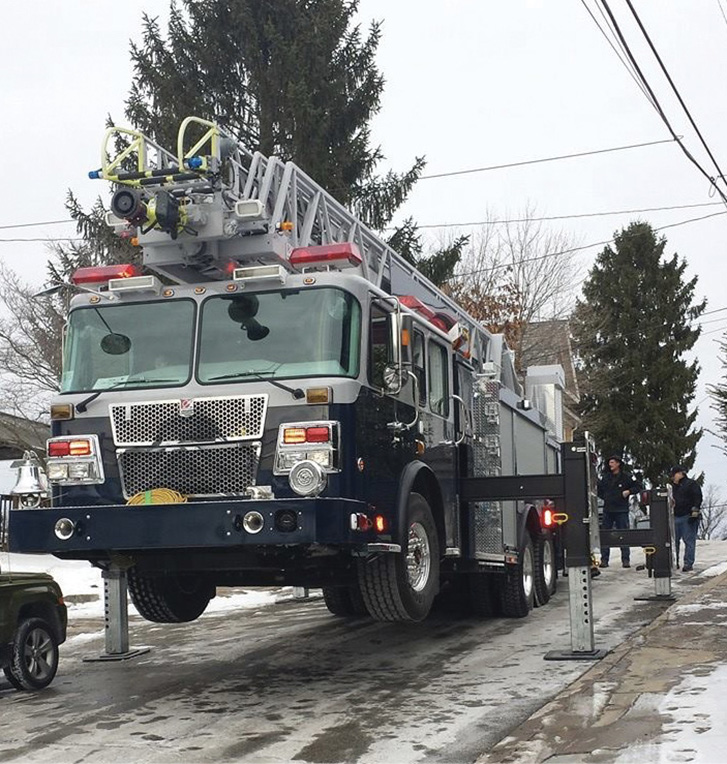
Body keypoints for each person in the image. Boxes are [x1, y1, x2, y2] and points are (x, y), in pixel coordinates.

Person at [597, 454, 641, 568]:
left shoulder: (626, 477)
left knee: (623, 535)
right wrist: (606, 497)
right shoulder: (606, 477)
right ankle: (604, 560)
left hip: (621, 510)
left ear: (618, 464)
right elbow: (599, 490)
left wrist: (628, 491)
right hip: (608, 510)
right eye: (609, 462)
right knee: (606, 535)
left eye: (612, 462)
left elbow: (638, 486)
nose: (610, 464)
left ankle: (625, 559)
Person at [670, 466, 702, 572]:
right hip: (675, 516)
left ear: (680, 474)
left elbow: (697, 498)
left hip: (687, 516)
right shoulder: (672, 488)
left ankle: (688, 563)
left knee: (689, 541)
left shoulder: (691, 484)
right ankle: (675, 563)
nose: (672, 477)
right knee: (674, 542)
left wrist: (695, 512)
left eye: (674, 475)